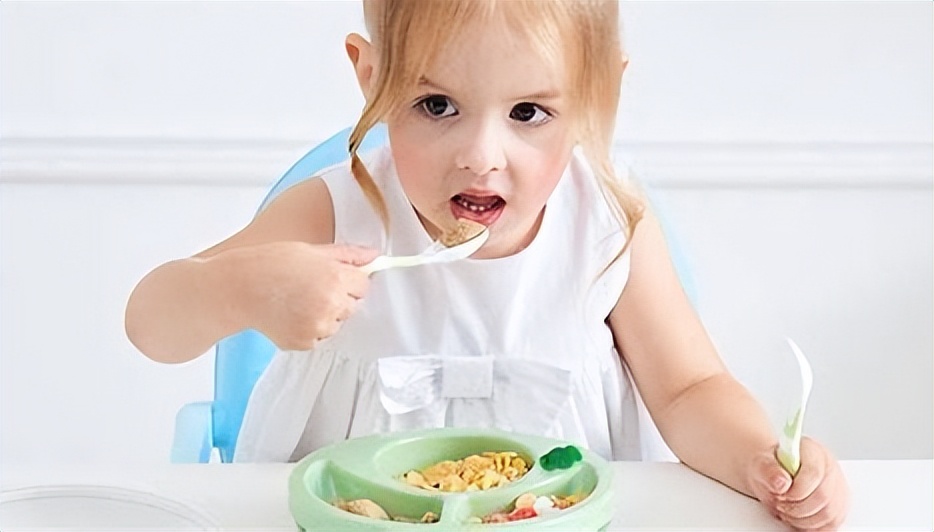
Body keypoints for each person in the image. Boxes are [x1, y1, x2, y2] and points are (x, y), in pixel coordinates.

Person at [125, 0, 849, 528]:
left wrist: (762, 460)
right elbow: (150, 324)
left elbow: (690, 389)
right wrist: (241, 287)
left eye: (529, 113)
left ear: (601, 95)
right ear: (371, 75)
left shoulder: (605, 220)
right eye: (437, 104)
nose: (481, 155)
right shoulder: (335, 211)